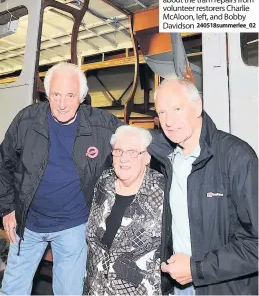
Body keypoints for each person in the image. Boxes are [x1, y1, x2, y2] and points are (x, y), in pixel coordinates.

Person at [0, 62, 122, 295]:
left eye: (70, 95)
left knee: (69, 292)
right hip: (28, 224)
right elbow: (3, 163)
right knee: (11, 290)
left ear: (82, 97)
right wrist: (6, 208)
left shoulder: (101, 125)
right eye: (56, 95)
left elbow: (137, 140)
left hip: (72, 227)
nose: (62, 104)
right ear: (47, 94)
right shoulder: (27, 121)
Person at [148, 79, 258, 295]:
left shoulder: (236, 156)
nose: (169, 121)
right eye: (162, 113)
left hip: (224, 288)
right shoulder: (167, 160)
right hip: (179, 285)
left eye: (177, 109)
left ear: (197, 106)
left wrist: (196, 269)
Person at [84, 125, 165, 295]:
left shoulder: (162, 189)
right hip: (96, 287)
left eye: (132, 152)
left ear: (147, 157)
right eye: (118, 151)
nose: (123, 159)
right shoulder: (104, 183)